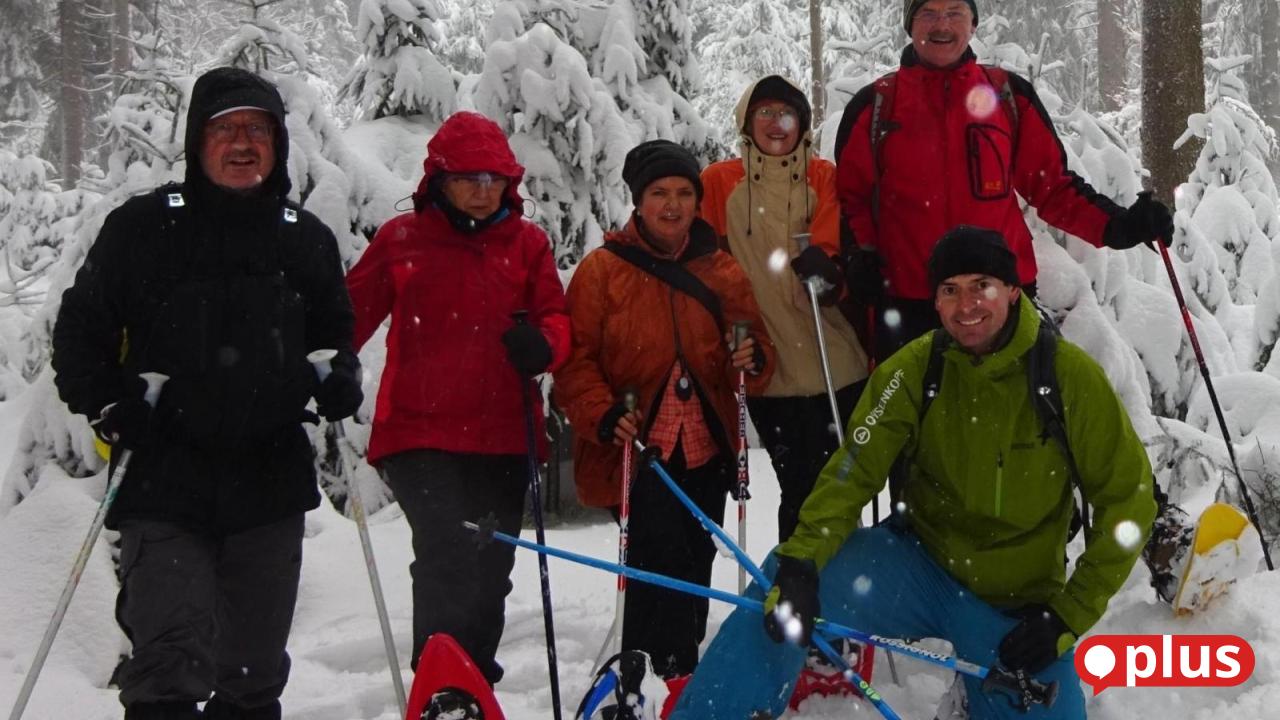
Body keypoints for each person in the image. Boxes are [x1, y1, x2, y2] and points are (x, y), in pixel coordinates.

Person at [670, 226, 1157, 719]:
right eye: (950, 290)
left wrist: (1067, 616)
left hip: (1015, 602)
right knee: (784, 582)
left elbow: (1129, 501)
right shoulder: (916, 368)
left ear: (1012, 289)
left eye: (981, 285)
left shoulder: (1067, 377)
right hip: (918, 565)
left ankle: (979, 692)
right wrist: (803, 559)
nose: (966, 305)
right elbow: (853, 471)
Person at [52, 67, 362, 720]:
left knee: (251, 680)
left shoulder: (303, 239)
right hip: (164, 478)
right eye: (225, 128)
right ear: (197, 141)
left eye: (257, 128)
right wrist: (111, 402)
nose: (242, 142)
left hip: (269, 482)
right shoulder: (142, 229)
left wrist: (337, 378)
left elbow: (333, 338)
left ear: (278, 143)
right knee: (169, 663)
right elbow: (80, 332)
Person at [344, 110, 570, 686]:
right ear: (439, 179)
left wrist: (543, 344)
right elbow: (345, 320)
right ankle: (443, 683)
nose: (482, 190)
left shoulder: (528, 244)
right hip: (419, 435)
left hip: (502, 435)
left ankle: (474, 682)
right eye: (469, 178)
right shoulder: (402, 240)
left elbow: (556, 318)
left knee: (491, 568)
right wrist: (320, 365)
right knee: (448, 552)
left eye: (494, 179)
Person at [834, 0, 1174, 362]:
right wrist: (860, 255)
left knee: (1016, 416)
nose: (941, 25)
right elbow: (850, 199)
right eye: (928, 14)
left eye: (954, 13)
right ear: (909, 25)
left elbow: (1053, 186)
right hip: (911, 304)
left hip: (1001, 297)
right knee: (916, 418)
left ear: (973, 24)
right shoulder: (876, 105)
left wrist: (1119, 225)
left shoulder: (1007, 95)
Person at [553, 139, 776, 680]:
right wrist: (601, 412)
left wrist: (751, 357)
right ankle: (652, 675)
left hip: (706, 445)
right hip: (634, 446)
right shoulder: (602, 271)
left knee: (693, 566)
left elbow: (749, 349)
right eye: (659, 193)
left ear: (699, 202)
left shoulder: (720, 270)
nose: (672, 205)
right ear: (638, 201)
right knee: (657, 564)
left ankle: (671, 676)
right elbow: (573, 363)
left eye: (683, 193)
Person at [700, 75, 869, 544]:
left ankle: (842, 587)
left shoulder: (823, 176)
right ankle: (799, 591)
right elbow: (707, 267)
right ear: (746, 121)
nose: (777, 124)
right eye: (765, 113)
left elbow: (836, 245)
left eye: (787, 114)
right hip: (770, 368)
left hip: (835, 361)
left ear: (803, 123)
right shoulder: (719, 182)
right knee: (800, 488)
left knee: (842, 487)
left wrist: (830, 269)